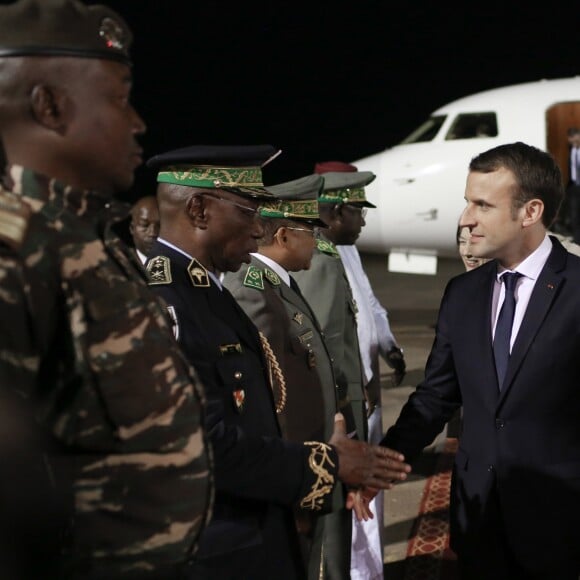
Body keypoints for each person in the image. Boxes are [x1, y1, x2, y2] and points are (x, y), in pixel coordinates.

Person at [0, 1, 212, 578]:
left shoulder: (83, 238)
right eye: (120, 98)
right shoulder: (16, 252)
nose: (138, 121)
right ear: (49, 106)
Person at [144, 145, 411, 580]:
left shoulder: (203, 291)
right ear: (198, 209)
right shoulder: (163, 302)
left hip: (252, 529)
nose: (259, 229)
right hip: (215, 549)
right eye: (249, 212)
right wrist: (323, 467)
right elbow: (202, 445)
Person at [377, 141, 580, 579]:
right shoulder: (463, 293)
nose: (466, 219)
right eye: (467, 203)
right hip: (478, 519)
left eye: (483, 205)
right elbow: (435, 396)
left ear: (530, 212)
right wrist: (383, 463)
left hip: (560, 521)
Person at [222, 173, 355, 579]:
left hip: (312, 452)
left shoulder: (279, 284)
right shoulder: (252, 289)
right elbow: (270, 392)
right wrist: (295, 474)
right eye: (309, 232)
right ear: (283, 235)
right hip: (296, 461)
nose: (317, 241)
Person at [313, 160, 405, 580]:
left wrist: (389, 345)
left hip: (365, 394)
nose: (364, 220)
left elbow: (367, 303)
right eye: (358, 211)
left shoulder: (344, 249)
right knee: (346, 511)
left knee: (370, 503)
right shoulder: (313, 259)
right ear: (334, 212)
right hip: (342, 408)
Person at [129, 194, 160, 263]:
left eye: (160, 225)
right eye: (144, 225)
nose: (153, 233)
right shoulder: (121, 263)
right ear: (132, 228)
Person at [565, 127, 580, 242]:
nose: (571, 141)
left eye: (573, 138)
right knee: (574, 214)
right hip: (574, 186)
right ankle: (577, 239)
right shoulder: (571, 149)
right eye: (570, 139)